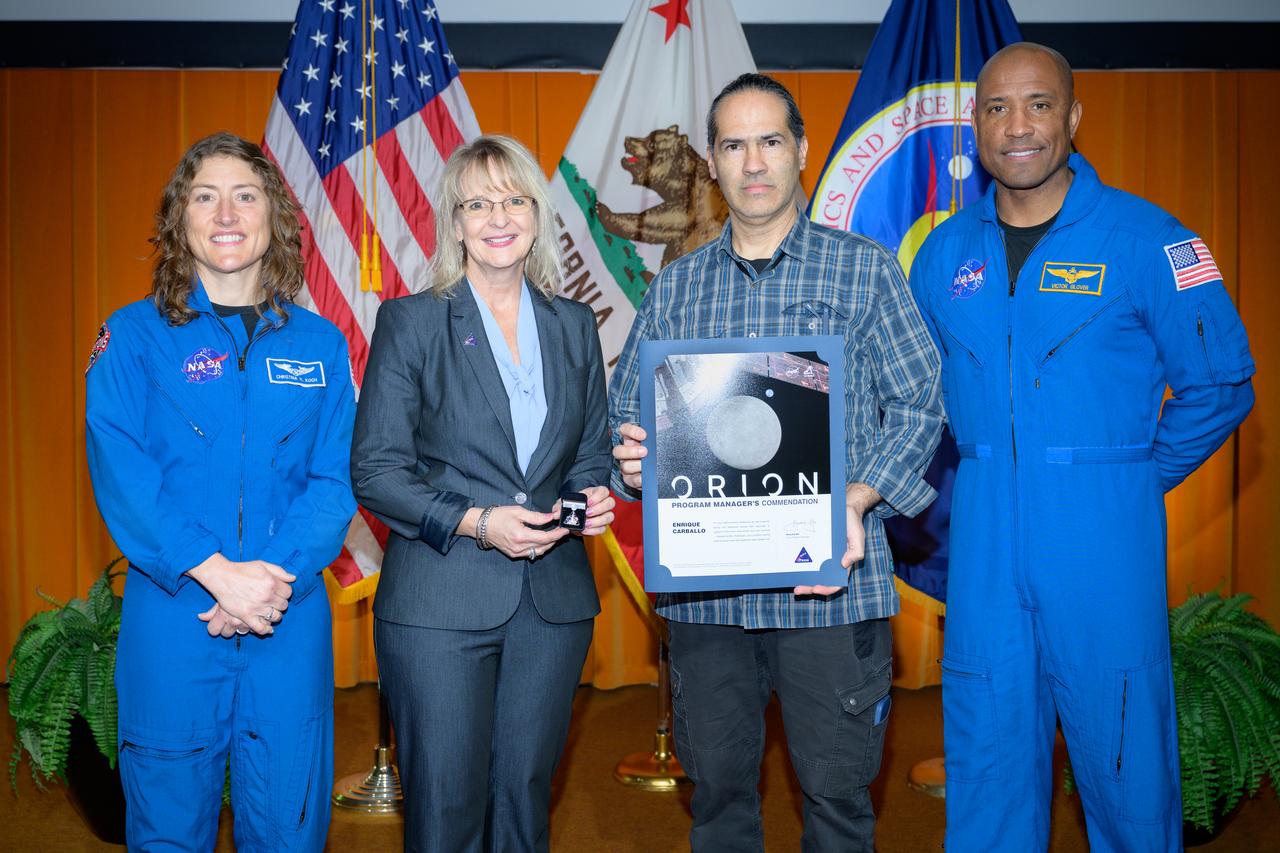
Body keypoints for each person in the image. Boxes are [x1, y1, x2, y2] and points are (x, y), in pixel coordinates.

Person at [910, 43, 1256, 851]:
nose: (1017, 125)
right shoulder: (941, 256)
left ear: (1073, 117)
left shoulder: (1148, 241)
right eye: (996, 108)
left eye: (1037, 104)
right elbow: (913, 396)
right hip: (986, 540)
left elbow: (1220, 387)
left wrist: (1130, 475)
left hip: (1103, 546)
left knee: (1126, 764)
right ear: (976, 127)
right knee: (988, 757)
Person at [609, 74, 944, 852]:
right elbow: (628, 411)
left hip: (831, 588)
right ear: (713, 160)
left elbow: (923, 402)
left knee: (836, 799)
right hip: (707, 600)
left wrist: (858, 499)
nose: (753, 161)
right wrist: (633, 455)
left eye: (770, 141)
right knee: (719, 798)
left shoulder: (863, 269)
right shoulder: (679, 284)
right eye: (733, 143)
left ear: (799, 151)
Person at [85, 132, 356, 850]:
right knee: (168, 829)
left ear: (275, 217)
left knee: (290, 829)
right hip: (175, 614)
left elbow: (335, 482)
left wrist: (266, 585)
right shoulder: (132, 338)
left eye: (246, 194)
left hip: (285, 615)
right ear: (181, 220)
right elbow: (123, 473)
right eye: (205, 196)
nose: (227, 213)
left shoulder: (321, 346)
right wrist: (215, 573)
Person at [351, 134, 615, 852]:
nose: (498, 217)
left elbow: (590, 450)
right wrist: (475, 521)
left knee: (525, 800)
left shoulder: (573, 323)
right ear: (455, 222)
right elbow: (374, 470)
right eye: (478, 203)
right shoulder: (412, 322)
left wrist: (593, 496)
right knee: (445, 808)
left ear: (537, 215)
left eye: (514, 199)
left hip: (553, 607)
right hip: (441, 603)